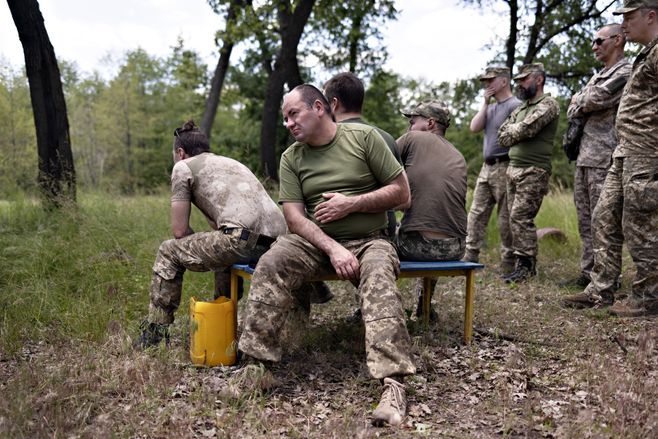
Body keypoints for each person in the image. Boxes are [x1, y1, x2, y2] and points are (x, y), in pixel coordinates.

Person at [237, 84, 416, 426]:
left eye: (294, 114)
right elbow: (293, 217)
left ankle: (393, 385)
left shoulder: (364, 140)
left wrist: (351, 203)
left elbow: (403, 194)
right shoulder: (292, 157)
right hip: (315, 242)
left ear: (319, 107)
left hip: (369, 239)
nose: (288, 123)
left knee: (379, 274)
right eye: (285, 117)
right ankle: (255, 367)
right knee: (272, 262)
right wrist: (332, 248)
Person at [134, 120, 288, 348]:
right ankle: (222, 315)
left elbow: (179, 231)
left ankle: (155, 332)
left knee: (167, 251)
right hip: (279, 243)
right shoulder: (232, 163)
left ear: (180, 152)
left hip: (241, 240)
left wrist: (193, 241)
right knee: (221, 247)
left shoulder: (182, 166)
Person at [572, 0, 658, 317]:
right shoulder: (645, 54)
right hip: (623, 150)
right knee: (603, 216)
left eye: (629, 17)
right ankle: (600, 289)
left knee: (639, 224)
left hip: (646, 150)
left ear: (650, 16)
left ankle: (649, 299)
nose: (624, 23)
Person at [559, 24, 631, 294]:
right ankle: (589, 273)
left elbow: (595, 98)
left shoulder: (625, 71)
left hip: (605, 157)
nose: (594, 46)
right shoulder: (598, 75)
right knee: (585, 221)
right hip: (585, 157)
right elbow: (573, 106)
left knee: (604, 222)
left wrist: (581, 99)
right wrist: (580, 99)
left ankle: (607, 278)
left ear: (618, 40)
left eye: (599, 41)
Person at [396, 101, 467, 319]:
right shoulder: (458, 156)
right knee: (428, 223)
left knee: (374, 238)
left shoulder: (412, 139)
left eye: (412, 122)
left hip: (416, 247)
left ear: (430, 123)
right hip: (454, 249)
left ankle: (370, 307)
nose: (409, 128)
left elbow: (376, 159)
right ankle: (424, 305)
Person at [498, 63, 560, 283]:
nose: (520, 84)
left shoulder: (548, 104)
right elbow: (502, 136)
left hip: (534, 170)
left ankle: (526, 266)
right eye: (518, 80)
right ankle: (520, 264)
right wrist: (518, 130)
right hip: (513, 169)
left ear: (539, 79)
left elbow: (528, 129)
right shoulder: (520, 109)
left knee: (521, 217)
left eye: (524, 80)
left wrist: (517, 131)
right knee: (511, 219)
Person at [323, 71, 402, 237]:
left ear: (334, 104)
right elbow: (403, 198)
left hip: (350, 238)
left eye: (324, 102)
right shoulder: (386, 138)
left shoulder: (323, 141)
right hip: (384, 233)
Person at [463, 66, 522, 272]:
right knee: (476, 213)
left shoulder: (516, 105)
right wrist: (485, 102)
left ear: (504, 81)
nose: (487, 85)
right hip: (486, 168)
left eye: (491, 80)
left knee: (505, 218)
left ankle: (508, 262)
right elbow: (474, 127)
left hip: (506, 166)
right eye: (485, 81)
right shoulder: (490, 108)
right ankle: (470, 256)